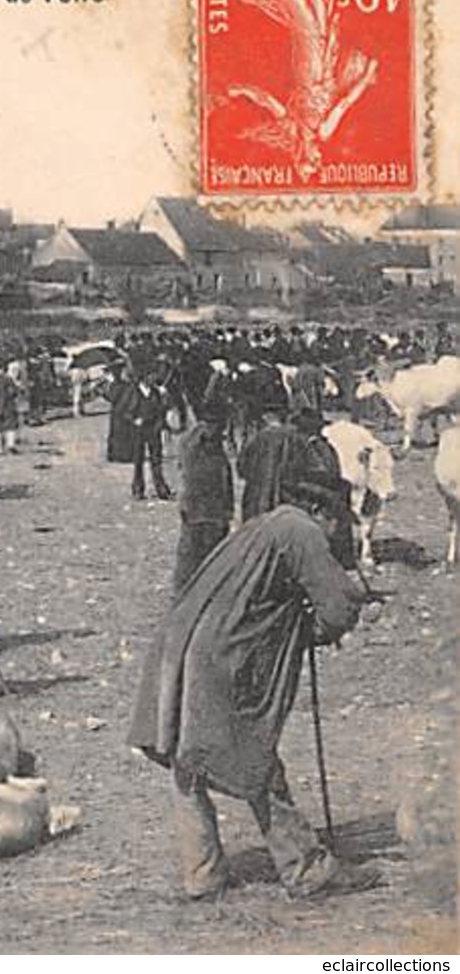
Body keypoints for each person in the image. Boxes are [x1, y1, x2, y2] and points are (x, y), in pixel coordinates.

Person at [128, 471, 383, 901]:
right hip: (223, 657)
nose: (339, 530)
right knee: (255, 757)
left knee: (187, 759)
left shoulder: (264, 525)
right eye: (339, 520)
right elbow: (337, 608)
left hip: (182, 646)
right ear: (320, 511)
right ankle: (307, 868)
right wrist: (314, 626)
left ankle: (201, 873)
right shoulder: (301, 531)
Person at [174, 411, 234, 594]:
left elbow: (226, 480)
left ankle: (201, 589)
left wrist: (228, 509)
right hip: (199, 510)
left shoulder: (209, 448)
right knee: (193, 553)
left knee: (205, 552)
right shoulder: (197, 447)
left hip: (210, 511)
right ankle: (188, 591)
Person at [131, 370, 175, 501]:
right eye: (151, 376)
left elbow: (163, 409)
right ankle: (138, 488)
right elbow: (126, 411)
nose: (154, 379)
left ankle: (160, 487)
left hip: (153, 429)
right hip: (139, 430)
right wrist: (134, 419)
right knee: (138, 460)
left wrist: (165, 397)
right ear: (144, 378)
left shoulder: (156, 392)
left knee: (156, 459)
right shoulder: (134, 392)